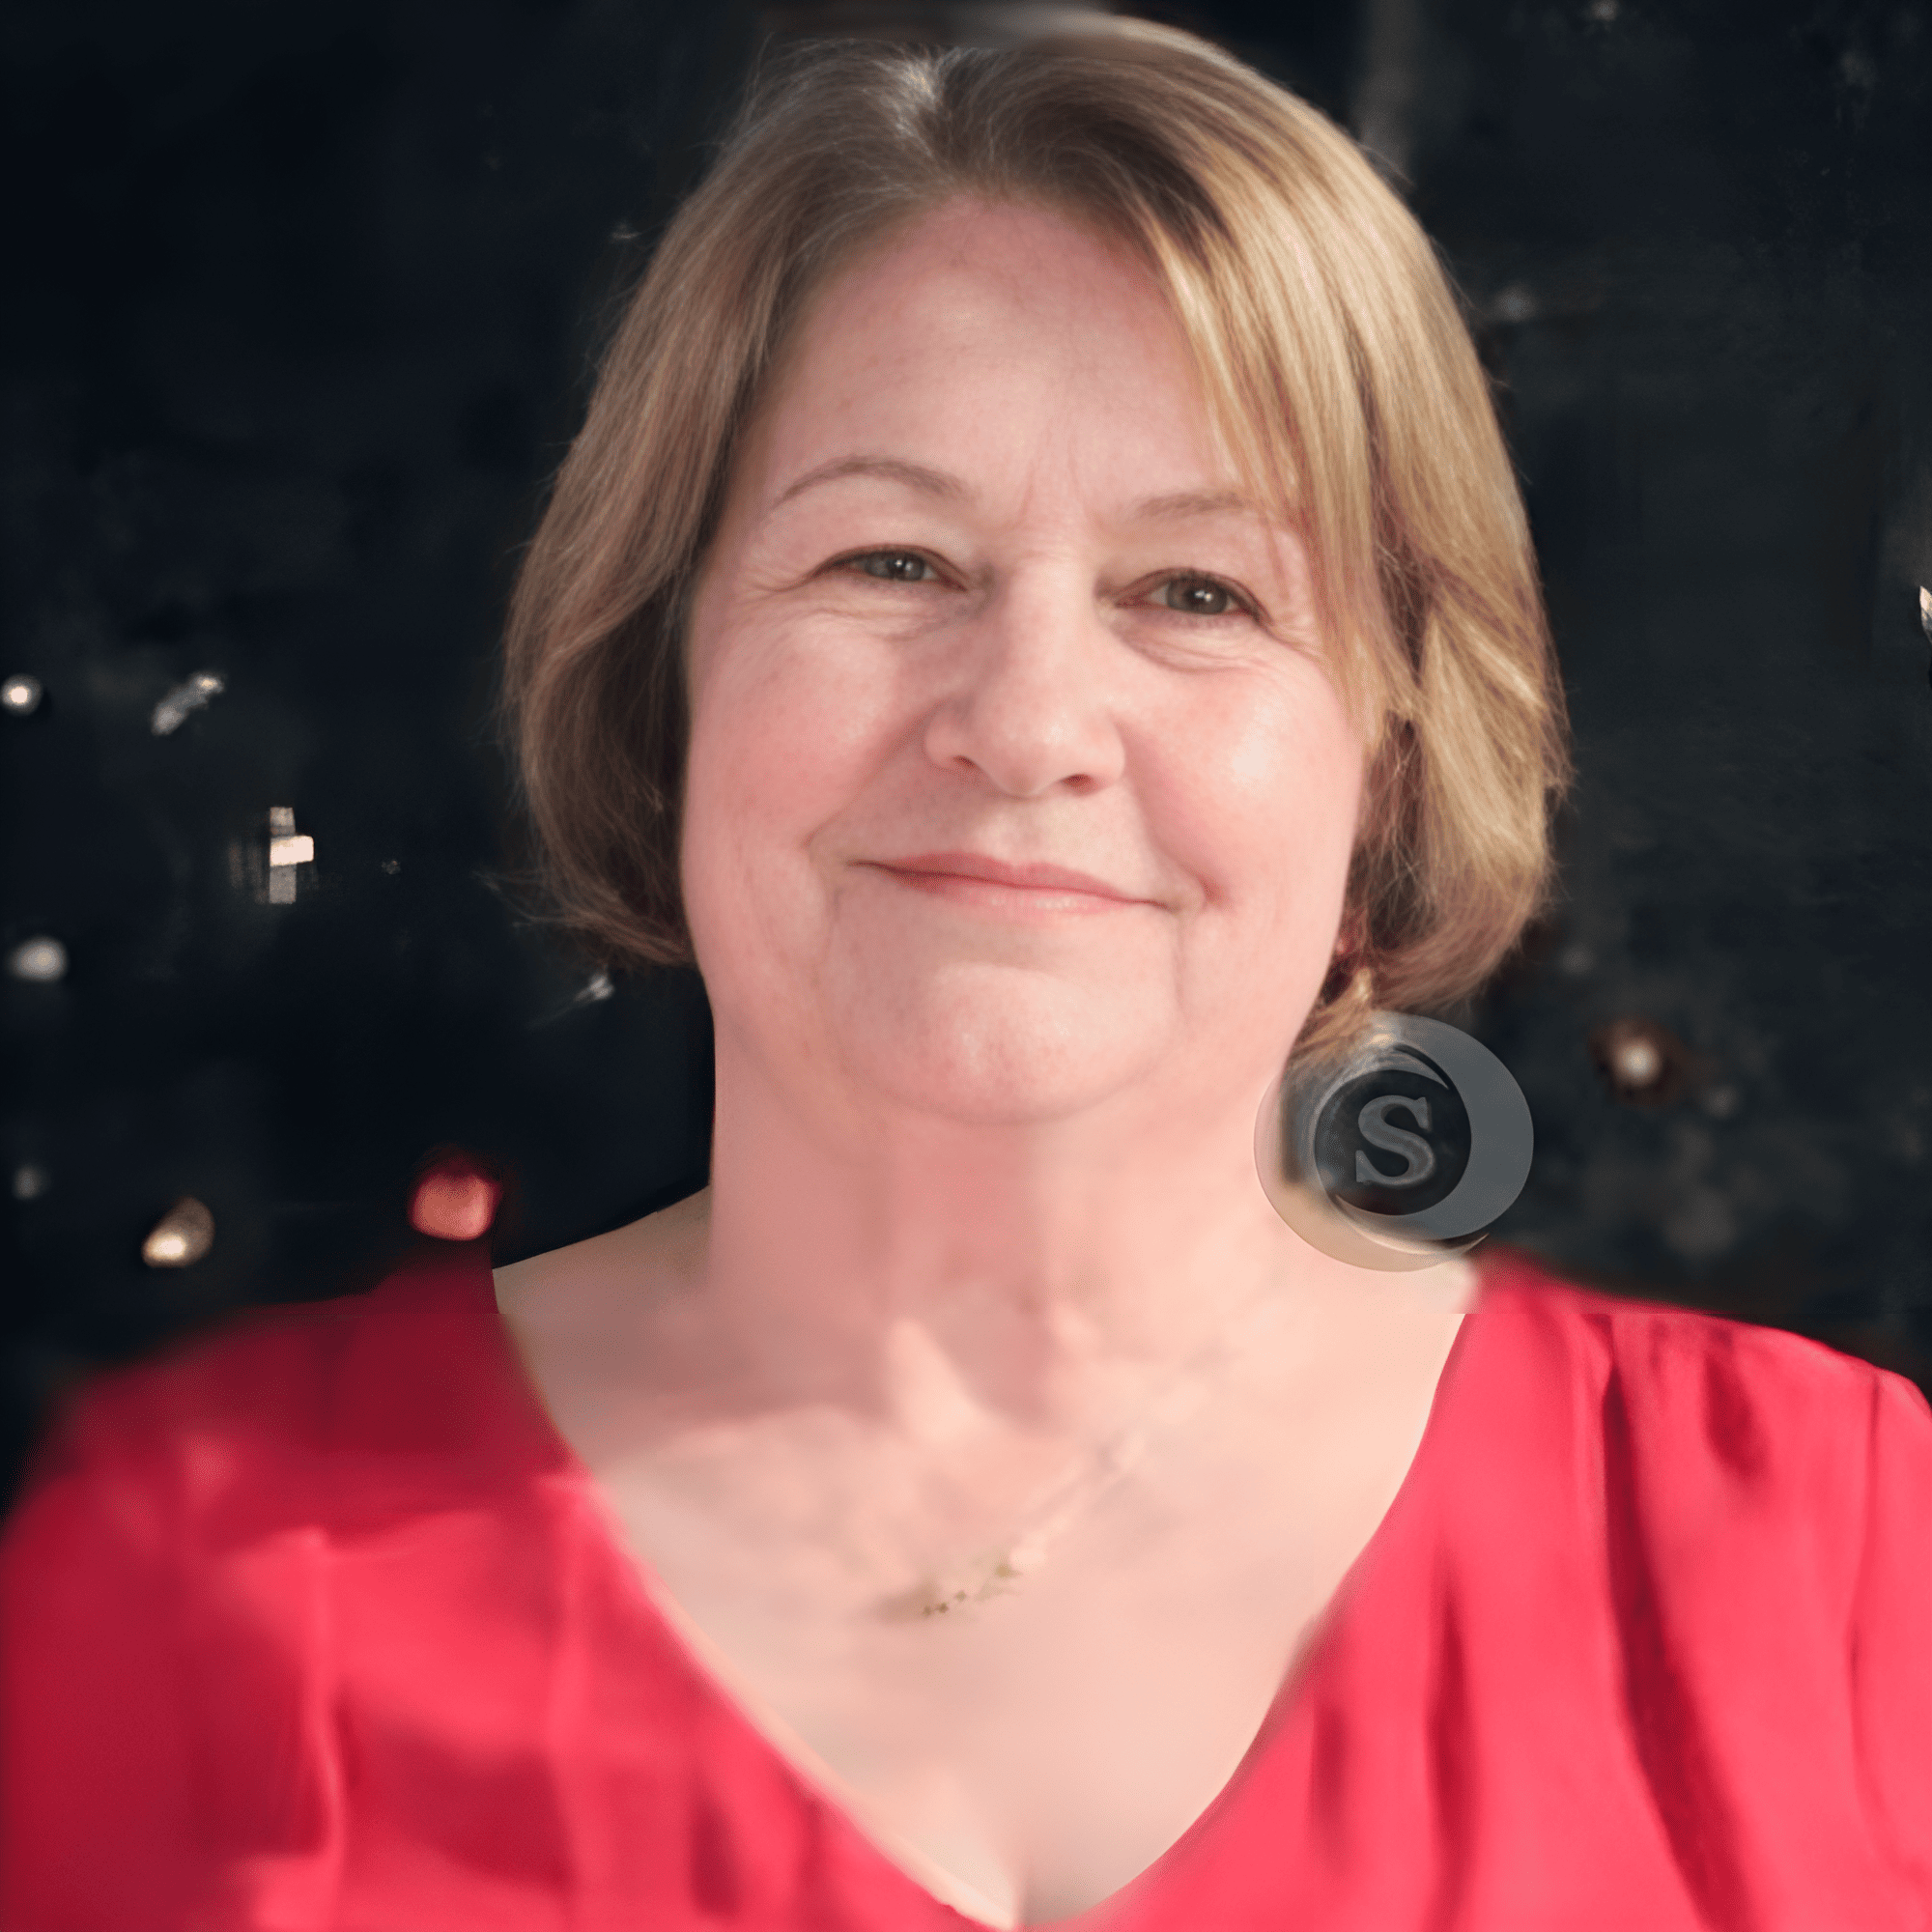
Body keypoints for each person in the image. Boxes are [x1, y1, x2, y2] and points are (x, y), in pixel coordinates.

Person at [3, 16, 1927, 1930]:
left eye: (1199, 593)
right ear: (665, 676)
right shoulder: (193, 1582)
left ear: (1390, 769)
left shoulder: (1843, 1568)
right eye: (893, 562)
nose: (1024, 722)